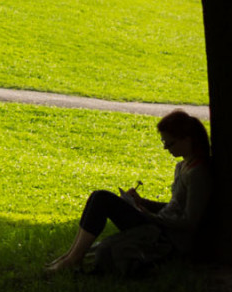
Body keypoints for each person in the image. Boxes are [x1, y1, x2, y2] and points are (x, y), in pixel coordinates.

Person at [44, 109, 213, 273]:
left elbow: (189, 221)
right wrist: (141, 202)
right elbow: (174, 206)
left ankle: (73, 258)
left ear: (187, 140)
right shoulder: (182, 166)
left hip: (167, 236)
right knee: (98, 197)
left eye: (170, 143)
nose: (166, 148)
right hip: (160, 225)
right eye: (164, 143)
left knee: (102, 198)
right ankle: (71, 256)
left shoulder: (197, 173)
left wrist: (149, 216)